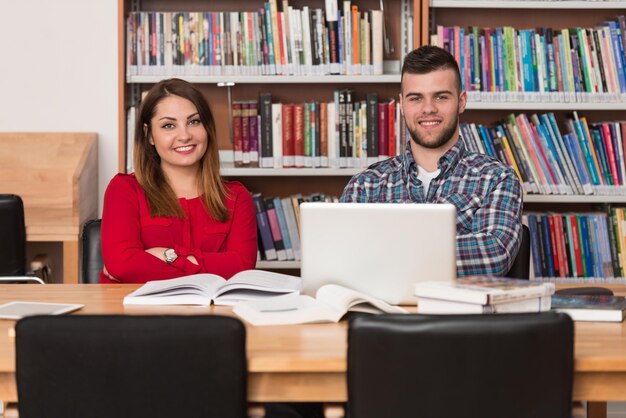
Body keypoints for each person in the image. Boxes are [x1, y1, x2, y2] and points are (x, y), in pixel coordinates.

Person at [341, 46, 523, 276]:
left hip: (458, 311)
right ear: (402, 105)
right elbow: (344, 259)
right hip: (381, 312)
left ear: (461, 101)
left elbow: (493, 255)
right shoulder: (365, 186)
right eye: (416, 98)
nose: (428, 108)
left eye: (441, 96)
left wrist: (384, 252)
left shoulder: (497, 179)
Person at [100, 78, 257, 283]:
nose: (184, 136)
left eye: (194, 121)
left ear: (207, 128)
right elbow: (122, 265)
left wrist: (166, 255)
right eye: (168, 125)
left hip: (209, 312)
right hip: (135, 311)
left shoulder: (237, 197)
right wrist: (209, 266)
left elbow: (242, 267)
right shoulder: (124, 190)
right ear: (150, 136)